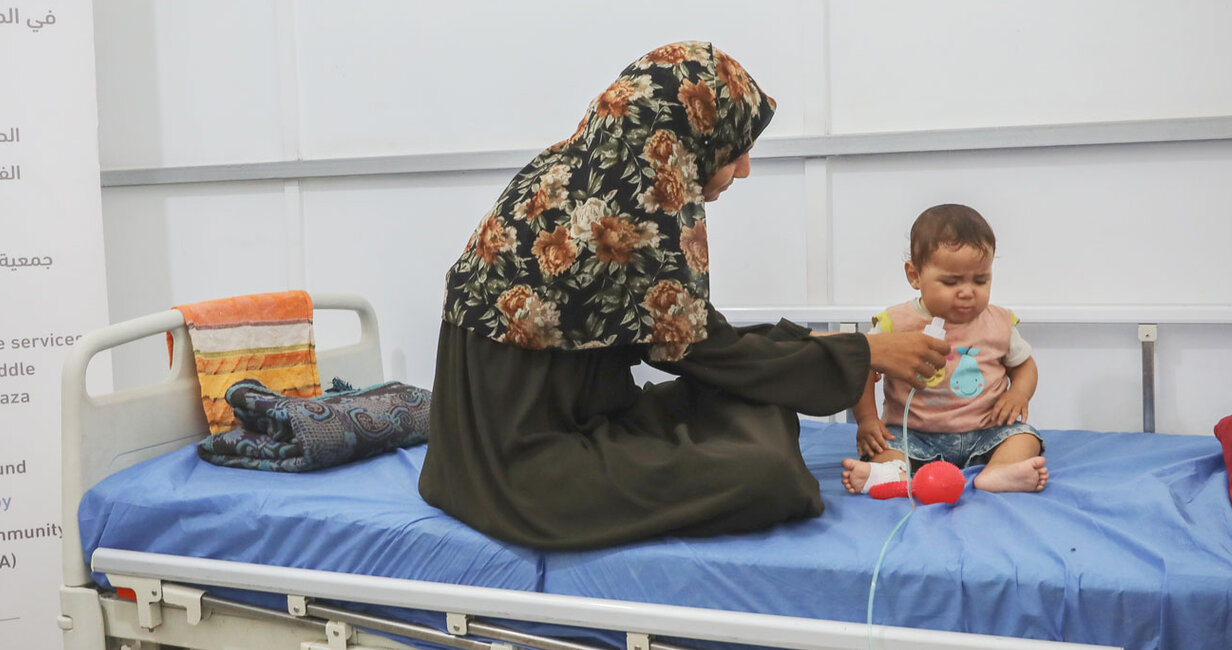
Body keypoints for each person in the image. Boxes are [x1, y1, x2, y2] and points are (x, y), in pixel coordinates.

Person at [418, 42, 950, 550]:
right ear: (682, 140)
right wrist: (866, 351)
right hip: (519, 467)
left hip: (570, 418)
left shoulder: (590, 177)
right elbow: (710, 354)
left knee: (759, 400)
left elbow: (699, 337)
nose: (744, 168)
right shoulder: (618, 217)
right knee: (768, 472)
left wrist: (838, 347)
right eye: (735, 150)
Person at [841, 204, 1048, 496]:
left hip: (986, 430)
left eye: (981, 280)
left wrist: (1018, 394)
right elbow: (861, 365)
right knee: (883, 447)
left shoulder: (998, 323)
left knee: (1024, 437)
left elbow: (1024, 365)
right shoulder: (895, 323)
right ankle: (889, 474)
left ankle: (1001, 471)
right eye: (951, 281)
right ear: (914, 275)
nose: (967, 291)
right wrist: (867, 420)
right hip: (912, 434)